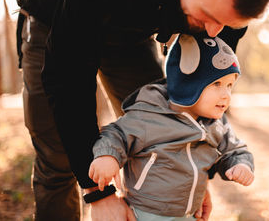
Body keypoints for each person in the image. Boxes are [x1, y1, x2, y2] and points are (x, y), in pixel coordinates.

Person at [15, 0, 269, 220]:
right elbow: (68, 77)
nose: (214, 32)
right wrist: (98, 193)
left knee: (164, 127)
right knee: (59, 160)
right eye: (208, 15)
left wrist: (193, 173)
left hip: (129, 39)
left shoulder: (231, 1)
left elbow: (200, 92)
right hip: (55, 23)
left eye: (228, 23)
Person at [89, 33, 254, 221]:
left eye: (230, 85)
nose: (226, 95)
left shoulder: (217, 124)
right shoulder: (150, 114)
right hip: (145, 213)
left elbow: (234, 149)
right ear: (189, 84)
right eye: (217, 83)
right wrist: (108, 155)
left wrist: (241, 164)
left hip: (188, 213)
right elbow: (117, 133)